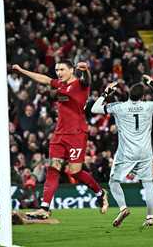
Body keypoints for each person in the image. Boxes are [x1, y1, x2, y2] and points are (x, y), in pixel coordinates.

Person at [12, 60, 108, 219]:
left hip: (77, 134)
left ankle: (100, 192)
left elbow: (87, 79)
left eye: (62, 69)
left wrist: (85, 70)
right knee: (53, 168)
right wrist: (22, 70)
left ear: (71, 70)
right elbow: (44, 79)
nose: (59, 72)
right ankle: (44, 208)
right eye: (57, 70)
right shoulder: (60, 85)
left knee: (75, 172)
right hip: (59, 134)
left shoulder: (80, 84)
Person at [90, 75, 153, 227]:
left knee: (113, 181)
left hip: (126, 152)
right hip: (145, 151)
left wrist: (106, 93)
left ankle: (123, 207)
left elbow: (94, 108)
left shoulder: (119, 107)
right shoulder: (149, 106)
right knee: (148, 184)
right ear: (143, 96)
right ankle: (150, 217)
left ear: (128, 94)